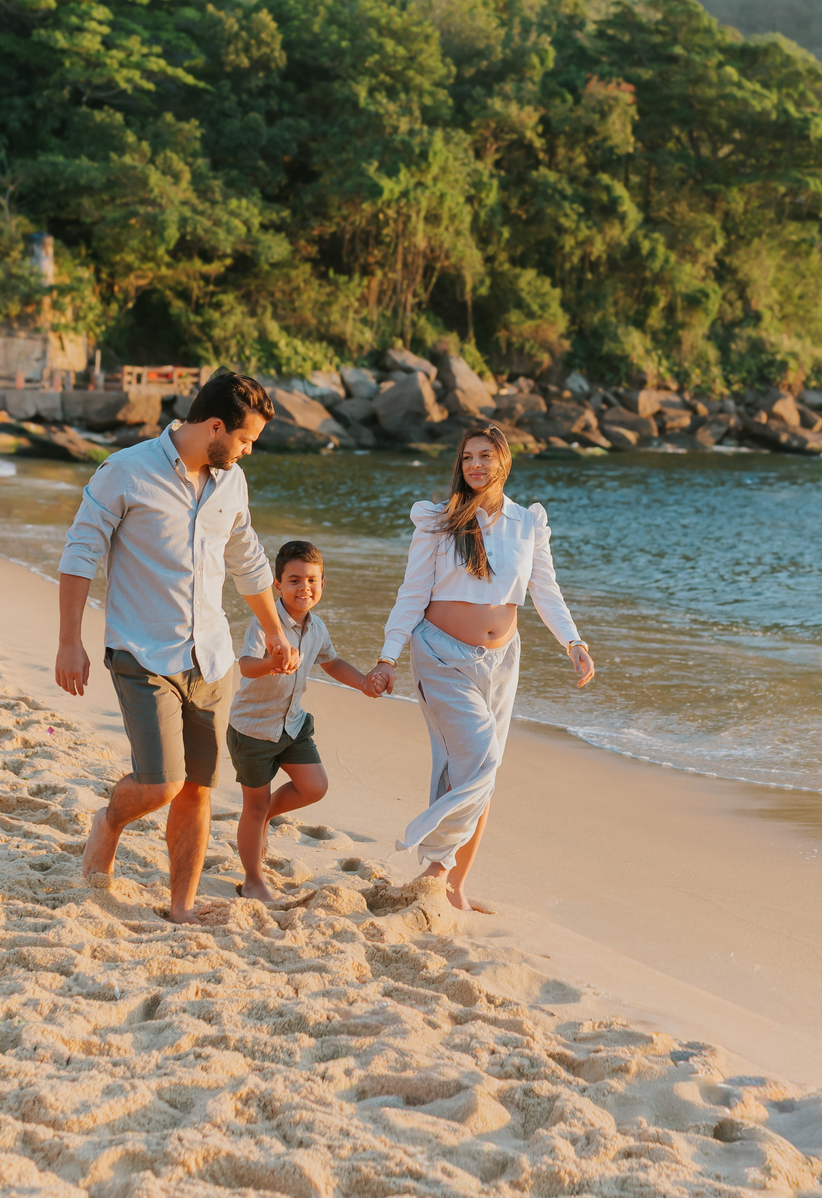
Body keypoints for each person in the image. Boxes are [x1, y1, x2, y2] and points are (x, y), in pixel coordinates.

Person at [55, 369, 296, 924]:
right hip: (142, 653)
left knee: (197, 789)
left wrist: (276, 631)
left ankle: (181, 906)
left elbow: (248, 559)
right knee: (161, 783)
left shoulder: (230, 482)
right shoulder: (125, 471)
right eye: (245, 439)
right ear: (214, 427)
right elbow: (80, 552)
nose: (248, 451)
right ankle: (107, 822)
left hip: (211, 658)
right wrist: (70, 642)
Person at [376, 421, 593, 912]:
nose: (474, 465)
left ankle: (455, 886)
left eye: (485, 456)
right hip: (440, 655)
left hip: (502, 661)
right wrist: (388, 655)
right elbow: (412, 593)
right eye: (467, 457)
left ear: (503, 461)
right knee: (481, 760)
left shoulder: (528, 523)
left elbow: (545, 590)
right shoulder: (439, 520)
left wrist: (573, 641)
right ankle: (435, 863)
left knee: (480, 774)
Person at [228, 538, 393, 902]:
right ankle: (253, 879)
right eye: (294, 580)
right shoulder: (266, 624)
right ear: (277, 585)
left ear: (322, 584)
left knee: (314, 786)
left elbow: (332, 662)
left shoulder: (316, 627)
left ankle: (264, 817)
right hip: (253, 729)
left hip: (292, 724)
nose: (304, 587)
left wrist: (363, 682)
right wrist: (271, 663)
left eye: (312, 580)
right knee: (253, 805)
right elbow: (246, 666)